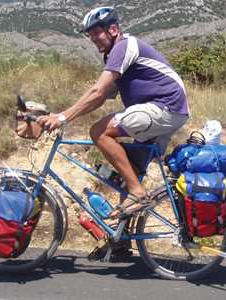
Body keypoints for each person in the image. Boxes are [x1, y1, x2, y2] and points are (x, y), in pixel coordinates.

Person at [37, 6, 189, 219]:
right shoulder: (114, 55)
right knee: (131, 172)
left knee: (99, 131)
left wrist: (63, 118)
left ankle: (138, 193)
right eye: (90, 35)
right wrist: (60, 114)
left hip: (164, 107)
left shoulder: (124, 46)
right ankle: (120, 239)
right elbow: (99, 97)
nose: (93, 39)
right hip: (165, 111)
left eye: (96, 33)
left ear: (114, 29)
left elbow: (97, 90)